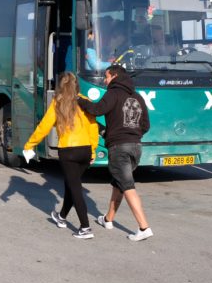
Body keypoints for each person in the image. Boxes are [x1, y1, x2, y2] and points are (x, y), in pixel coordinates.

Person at [77, 64, 153, 242]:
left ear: (114, 76)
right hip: (136, 146)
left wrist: (79, 100)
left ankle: (144, 227)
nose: (105, 80)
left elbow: (97, 110)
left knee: (127, 186)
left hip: (119, 147)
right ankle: (108, 219)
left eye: (106, 76)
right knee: (119, 183)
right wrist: (132, 135)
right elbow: (146, 125)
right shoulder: (138, 97)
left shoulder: (113, 93)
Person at [23, 72, 99, 239]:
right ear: (76, 85)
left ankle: (85, 227)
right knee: (71, 185)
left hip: (68, 151)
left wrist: (29, 145)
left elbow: (44, 126)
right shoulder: (84, 101)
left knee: (75, 188)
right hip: (85, 149)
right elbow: (93, 127)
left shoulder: (58, 103)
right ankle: (62, 216)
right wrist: (93, 150)